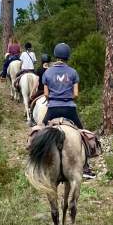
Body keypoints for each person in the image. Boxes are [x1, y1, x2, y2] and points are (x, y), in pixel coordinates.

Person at [42, 42, 96, 179]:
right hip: (69, 109)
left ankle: (39, 162)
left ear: (55, 55)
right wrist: (67, 97)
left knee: (40, 130)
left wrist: (55, 97)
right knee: (82, 135)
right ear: (67, 56)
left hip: (52, 109)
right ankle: (86, 167)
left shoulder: (47, 72)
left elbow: (46, 94)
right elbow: (76, 94)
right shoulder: (73, 72)